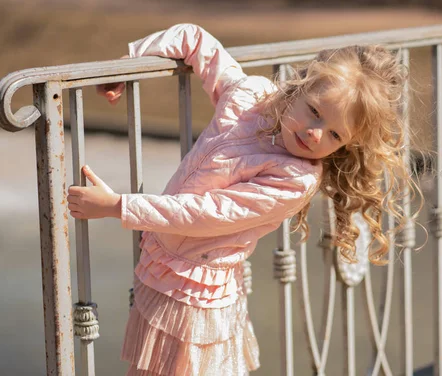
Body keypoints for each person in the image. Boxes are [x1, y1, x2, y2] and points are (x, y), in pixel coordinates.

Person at [67, 23, 417, 376]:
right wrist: (130, 64)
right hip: (166, 266)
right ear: (298, 88)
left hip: (196, 293)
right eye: (314, 111)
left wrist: (118, 206)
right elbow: (195, 40)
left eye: (335, 133)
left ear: (346, 145)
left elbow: (206, 214)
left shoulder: (294, 179)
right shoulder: (251, 95)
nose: (315, 133)